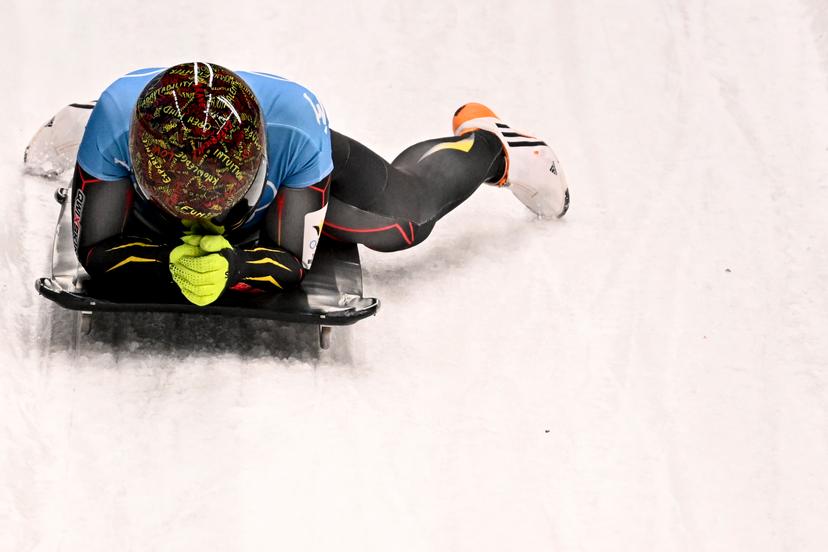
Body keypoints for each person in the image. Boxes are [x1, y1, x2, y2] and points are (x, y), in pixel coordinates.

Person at [72, 62, 569, 306]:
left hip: (283, 163)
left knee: (405, 222)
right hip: (130, 139)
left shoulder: (295, 133)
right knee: (109, 140)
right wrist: (172, 262)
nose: (198, 215)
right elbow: (94, 251)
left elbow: (289, 262)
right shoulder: (118, 117)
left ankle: (489, 143)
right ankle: (85, 137)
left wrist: (230, 264)